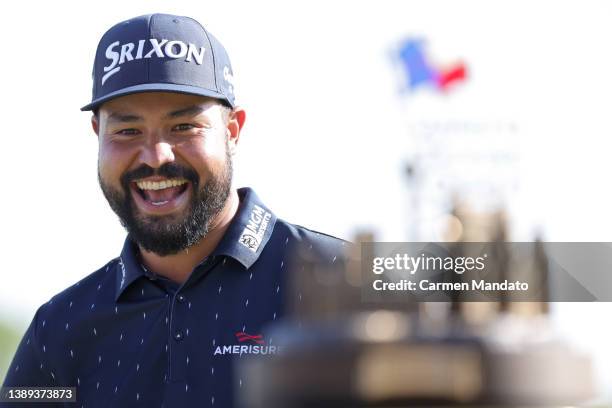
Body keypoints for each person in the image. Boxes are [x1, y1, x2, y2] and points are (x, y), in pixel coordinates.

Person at [2, 13, 346, 408]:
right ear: (98, 135)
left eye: (184, 127)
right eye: (128, 131)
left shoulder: (350, 276)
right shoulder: (59, 329)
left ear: (233, 130)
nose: (156, 156)